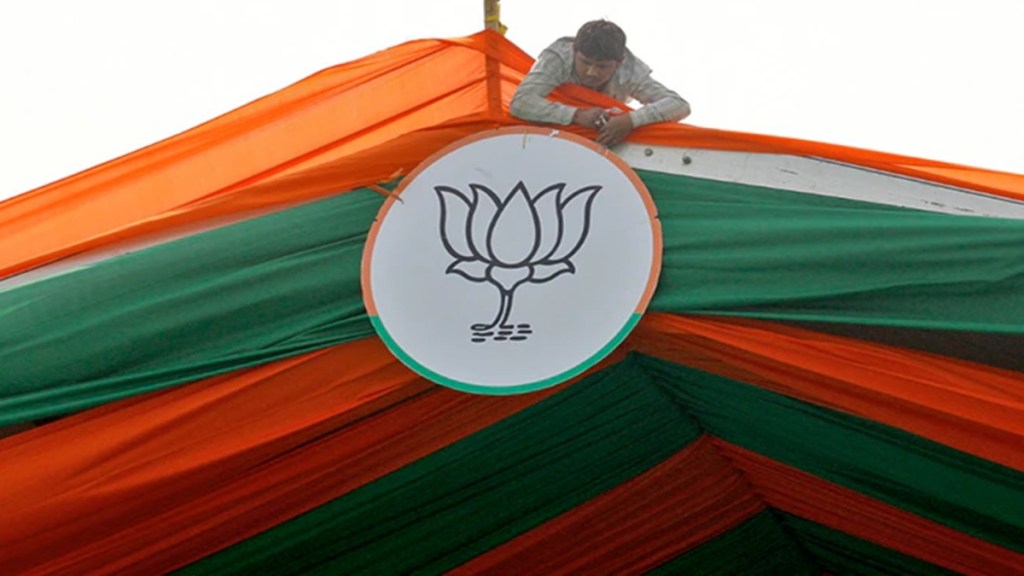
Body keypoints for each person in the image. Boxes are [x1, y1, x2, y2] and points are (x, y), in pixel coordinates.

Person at [510, 20, 691, 147]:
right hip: (547, 137)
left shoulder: (630, 70)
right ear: (574, 51)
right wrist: (576, 115)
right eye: (585, 62)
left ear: (619, 63)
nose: (591, 72)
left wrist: (630, 121)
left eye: (602, 66)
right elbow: (521, 103)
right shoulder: (558, 57)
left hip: (605, 141)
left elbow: (679, 105)